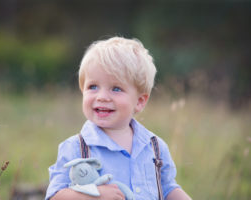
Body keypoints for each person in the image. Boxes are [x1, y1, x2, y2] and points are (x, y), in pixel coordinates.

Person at [45, 36, 191, 200]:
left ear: (140, 101)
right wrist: (94, 195)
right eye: (93, 87)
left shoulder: (155, 147)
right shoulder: (76, 148)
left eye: (116, 89)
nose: (102, 96)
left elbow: (168, 188)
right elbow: (55, 196)